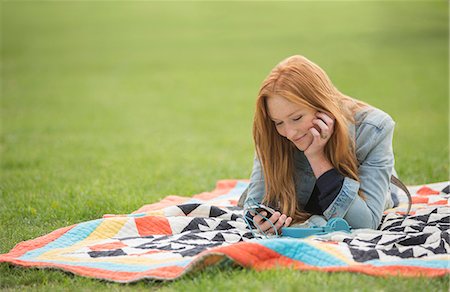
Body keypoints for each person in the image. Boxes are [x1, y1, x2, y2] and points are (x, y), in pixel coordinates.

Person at [238, 55, 400, 234]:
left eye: (297, 118)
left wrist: (317, 157)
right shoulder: (273, 134)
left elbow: (366, 223)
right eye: (279, 122)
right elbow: (255, 205)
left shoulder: (374, 129)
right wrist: (261, 221)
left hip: (379, 188)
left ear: (322, 107)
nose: (290, 133)